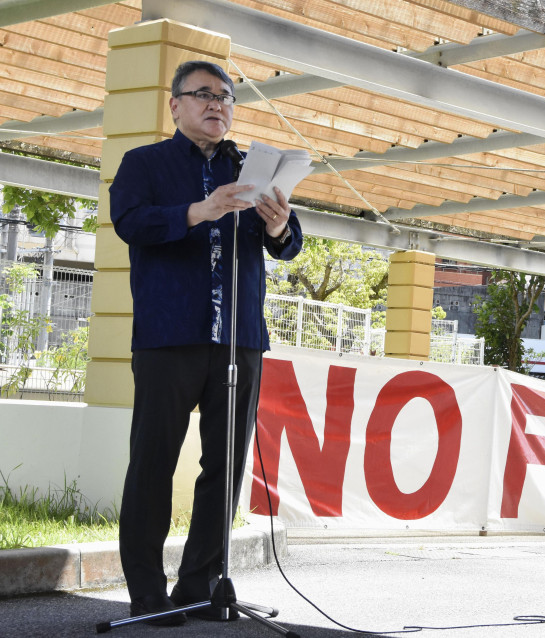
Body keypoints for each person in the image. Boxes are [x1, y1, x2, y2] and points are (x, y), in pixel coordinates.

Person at [110, 60, 303, 625]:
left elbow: (290, 246)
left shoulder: (254, 167)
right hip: (171, 334)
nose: (217, 104)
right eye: (203, 95)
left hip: (239, 338)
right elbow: (131, 223)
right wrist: (201, 210)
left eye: (226, 97)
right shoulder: (143, 164)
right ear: (175, 105)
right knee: (154, 462)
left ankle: (200, 584)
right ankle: (147, 591)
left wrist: (276, 226)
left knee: (225, 466)